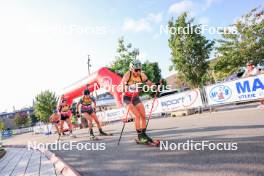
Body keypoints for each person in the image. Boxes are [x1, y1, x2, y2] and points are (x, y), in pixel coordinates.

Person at [121, 59, 160, 144]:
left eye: (139, 69)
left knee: (143, 115)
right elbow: (122, 87)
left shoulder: (142, 75)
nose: (138, 72)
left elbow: (149, 83)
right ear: (131, 69)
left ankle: (143, 134)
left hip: (135, 97)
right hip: (127, 98)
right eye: (136, 70)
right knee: (137, 116)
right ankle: (139, 136)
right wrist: (129, 87)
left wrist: (155, 86)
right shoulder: (127, 75)